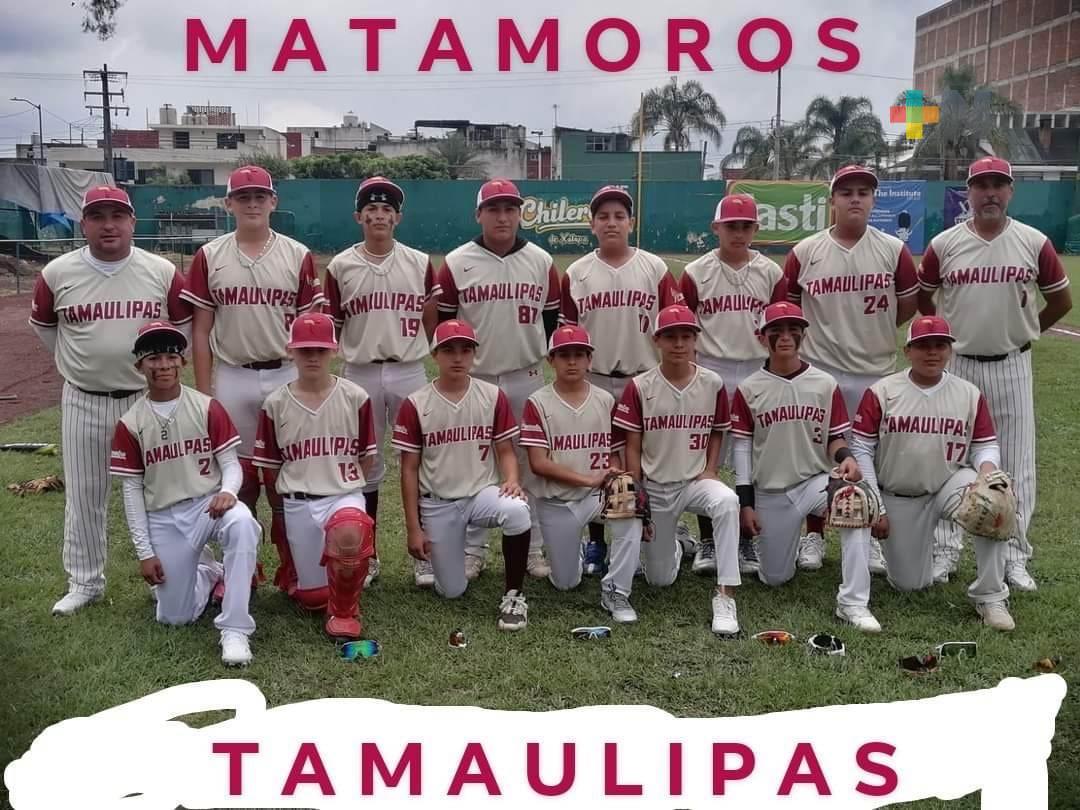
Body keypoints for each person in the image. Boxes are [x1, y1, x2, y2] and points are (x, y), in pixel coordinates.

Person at [29, 185, 192, 616]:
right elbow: (46, 328)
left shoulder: (160, 270)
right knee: (85, 494)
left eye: (117, 216)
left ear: (132, 222)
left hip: (147, 399)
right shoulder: (57, 273)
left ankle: (169, 577)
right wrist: (83, 364)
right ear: (83, 224)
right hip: (84, 398)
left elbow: (183, 329)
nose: (108, 225)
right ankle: (85, 582)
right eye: (97, 216)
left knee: (165, 492)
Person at [917, 157, 1072, 592]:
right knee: (948, 458)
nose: (990, 193)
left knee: (1017, 463)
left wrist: (1025, 332)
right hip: (959, 364)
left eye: (998, 185)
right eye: (981, 185)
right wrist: (944, 338)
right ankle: (945, 549)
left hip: (1011, 363)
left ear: (1010, 191)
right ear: (968, 192)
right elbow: (925, 301)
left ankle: (1015, 556)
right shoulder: (945, 244)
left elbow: (1061, 301)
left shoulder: (1033, 242)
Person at [182, 166, 325, 595]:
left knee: (289, 475)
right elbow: (201, 331)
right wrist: (205, 395)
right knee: (236, 476)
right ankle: (240, 567)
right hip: (234, 375)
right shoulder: (210, 255)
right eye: (243, 197)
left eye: (260, 196)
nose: (252, 204)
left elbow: (311, 330)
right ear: (229, 203)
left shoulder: (297, 254)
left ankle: (293, 565)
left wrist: (310, 384)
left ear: (273, 201)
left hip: (285, 372)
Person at [783, 164, 919, 577]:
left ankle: (871, 531)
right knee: (816, 454)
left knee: (873, 456)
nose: (855, 198)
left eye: (863, 192)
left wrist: (876, 331)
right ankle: (814, 533)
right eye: (846, 192)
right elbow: (790, 312)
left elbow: (907, 306)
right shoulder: (805, 252)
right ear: (833, 201)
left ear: (873, 200)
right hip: (822, 370)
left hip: (876, 369)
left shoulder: (893, 250)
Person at [851, 315, 1016, 630]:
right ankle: (918, 563)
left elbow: (985, 444)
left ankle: (991, 596)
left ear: (950, 351)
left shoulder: (968, 393)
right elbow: (861, 449)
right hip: (899, 494)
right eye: (923, 345)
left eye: (940, 345)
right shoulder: (882, 391)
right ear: (907, 351)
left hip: (950, 482)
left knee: (993, 504)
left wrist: (987, 473)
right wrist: (877, 507)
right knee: (910, 584)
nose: (932, 352)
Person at [109, 322, 259, 665]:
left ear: (183, 361)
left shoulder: (207, 406)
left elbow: (231, 464)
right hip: (164, 516)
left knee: (242, 523)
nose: (163, 365)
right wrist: (145, 553)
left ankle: (235, 629)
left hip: (208, 506)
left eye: (170, 357)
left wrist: (228, 491)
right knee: (174, 617)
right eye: (154, 358)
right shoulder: (130, 423)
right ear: (139, 365)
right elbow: (131, 491)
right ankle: (208, 572)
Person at [434, 178, 561, 580]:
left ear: (520, 214)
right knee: (475, 464)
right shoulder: (457, 262)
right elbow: (445, 324)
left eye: (510, 209)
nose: (503, 217)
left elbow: (552, 323)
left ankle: (532, 548)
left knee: (529, 464)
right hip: (477, 376)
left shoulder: (541, 261)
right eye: (494, 209)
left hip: (526, 374)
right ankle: (473, 550)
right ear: (479, 215)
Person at [730, 302, 879, 632]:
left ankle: (853, 602)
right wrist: (746, 503)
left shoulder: (824, 383)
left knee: (853, 501)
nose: (785, 337)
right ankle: (791, 543)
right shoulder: (748, 388)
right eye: (776, 331)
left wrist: (847, 457)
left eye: (793, 330)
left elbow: (834, 438)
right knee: (774, 577)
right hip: (771, 491)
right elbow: (742, 450)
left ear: (803, 336)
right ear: (761, 337)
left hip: (815, 482)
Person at [560, 185, 683, 576]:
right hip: (594, 379)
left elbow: (676, 326)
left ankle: (651, 531)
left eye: (619, 216)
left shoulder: (654, 268)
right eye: (603, 216)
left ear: (631, 222)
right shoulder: (576, 273)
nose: (611, 223)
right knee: (597, 459)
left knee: (646, 459)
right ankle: (597, 541)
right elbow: (567, 337)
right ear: (592, 224)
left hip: (644, 377)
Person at [324, 176, 438, 588]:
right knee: (364, 463)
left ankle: (424, 553)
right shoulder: (340, 266)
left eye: (387, 209)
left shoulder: (419, 262)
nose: (379, 215)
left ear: (398, 218)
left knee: (422, 459)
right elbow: (333, 325)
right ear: (359, 216)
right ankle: (367, 553)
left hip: (408, 367)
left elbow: (432, 319)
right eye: (371, 209)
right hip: (360, 371)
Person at [391, 319, 533, 631]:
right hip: (438, 502)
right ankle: (442, 560)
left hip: (481, 494)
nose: (458, 357)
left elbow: (506, 450)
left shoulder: (492, 395)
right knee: (452, 590)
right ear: (435, 355)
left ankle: (514, 596)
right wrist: (414, 529)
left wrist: (511, 479)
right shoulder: (416, 403)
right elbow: (409, 470)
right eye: (449, 350)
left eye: (465, 350)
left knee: (518, 510)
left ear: (474, 354)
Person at [609, 304, 742, 634]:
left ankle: (725, 596)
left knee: (727, 501)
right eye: (670, 337)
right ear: (657, 340)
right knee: (659, 580)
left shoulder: (712, 383)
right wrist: (638, 490)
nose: (679, 344)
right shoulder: (640, 385)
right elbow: (632, 444)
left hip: (694, 481)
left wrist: (711, 468)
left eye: (686, 336)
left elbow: (717, 431)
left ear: (696, 339)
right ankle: (679, 544)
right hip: (655, 486)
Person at [253, 313, 378, 640]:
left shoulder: (355, 397)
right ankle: (313, 580)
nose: (312, 357)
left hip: (342, 495)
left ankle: (345, 613)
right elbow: (270, 467)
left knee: (350, 531)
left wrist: (346, 488)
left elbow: (367, 458)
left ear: (334, 351)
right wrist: (280, 512)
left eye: (320, 350)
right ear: (290, 351)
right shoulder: (275, 403)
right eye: (305, 349)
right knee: (312, 599)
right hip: (299, 501)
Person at [681, 192, 787, 577]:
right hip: (710, 369)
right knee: (703, 458)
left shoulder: (771, 273)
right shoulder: (696, 272)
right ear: (716, 228)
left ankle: (745, 537)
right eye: (731, 226)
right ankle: (708, 539)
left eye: (746, 226)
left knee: (754, 460)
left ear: (756, 228)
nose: (739, 233)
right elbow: (685, 328)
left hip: (758, 370)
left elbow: (780, 328)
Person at [521, 325, 632, 607]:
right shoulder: (537, 402)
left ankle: (617, 588)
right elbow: (538, 463)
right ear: (551, 360)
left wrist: (614, 473)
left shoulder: (605, 400)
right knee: (566, 583)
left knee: (630, 503)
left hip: (596, 496)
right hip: (557, 502)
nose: (572, 362)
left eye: (579, 355)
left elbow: (614, 453)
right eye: (564, 355)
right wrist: (589, 479)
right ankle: (577, 552)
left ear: (589, 359)